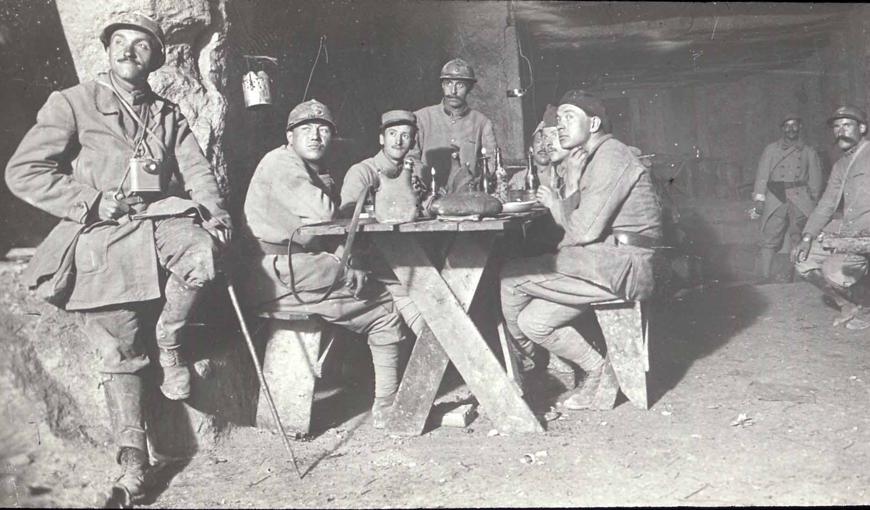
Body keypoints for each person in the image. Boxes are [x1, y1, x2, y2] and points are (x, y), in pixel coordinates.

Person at [4, 13, 232, 505]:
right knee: (120, 350)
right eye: (120, 43)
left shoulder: (167, 112)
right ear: (107, 51)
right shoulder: (73, 103)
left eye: (142, 45)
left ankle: (169, 339)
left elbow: (198, 173)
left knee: (200, 255)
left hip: (164, 219)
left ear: (157, 56)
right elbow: (24, 171)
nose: (130, 51)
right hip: (103, 232)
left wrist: (215, 218)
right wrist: (89, 200)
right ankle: (133, 465)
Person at [240, 99, 405, 430]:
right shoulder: (282, 165)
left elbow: (325, 230)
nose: (315, 135)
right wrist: (345, 262)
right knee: (387, 308)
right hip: (275, 273)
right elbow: (325, 216)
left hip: (291, 268)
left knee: (378, 278)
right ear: (289, 136)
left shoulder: (306, 168)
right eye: (305, 129)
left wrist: (347, 258)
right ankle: (388, 406)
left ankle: (387, 395)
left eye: (323, 129)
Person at [500, 89, 663, 411]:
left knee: (509, 277)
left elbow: (583, 230)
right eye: (558, 119)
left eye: (569, 117)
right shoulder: (593, 157)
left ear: (594, 123)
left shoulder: (610, 155)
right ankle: (596, 369)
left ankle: (532, 371)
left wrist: (565, 237)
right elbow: (580, 227)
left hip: (625, 265)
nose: (560, 126)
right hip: (609, 259)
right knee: (534, 322)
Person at [338, 110, 425, 336]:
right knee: (414, 291)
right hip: (368, 258)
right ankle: (440, 349)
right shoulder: (363, 172)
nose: (398, 140)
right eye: (392, 133)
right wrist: (357, 257)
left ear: (413, 141)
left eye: (405, 135)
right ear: (381, 139)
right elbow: (348, 219)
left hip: (404, 255)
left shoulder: (411, 172)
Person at [792, 105, 870, 331]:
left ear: (862, 128)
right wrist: (807, 237)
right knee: (802, 259)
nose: (840, 131)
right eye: (837, 126)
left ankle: (866, 307)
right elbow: (827, 203)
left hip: (866, 234)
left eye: (847, 125)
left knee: (835, 272)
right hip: (850, 232)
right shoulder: (841, 164)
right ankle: (848, 305)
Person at [407, 58, 497, 194]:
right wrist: (426, 183)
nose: (453, 91)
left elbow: (491, 162)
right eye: (448, 83)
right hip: (428, 196)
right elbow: (411, 158)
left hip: (467, 196)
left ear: (469, 88)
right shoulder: (421, 118)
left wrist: (475, 183)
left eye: (460, 85)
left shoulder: (482, 123)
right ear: (442, 85)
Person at [752, 113, 823, 282]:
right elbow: (762, 175)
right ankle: (764, 275)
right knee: (769, 234)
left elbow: (816, 178)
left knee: (797, 234)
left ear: (800, 127)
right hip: (776, 194)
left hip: (799, 195)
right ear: (782, 129)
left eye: (794, 125)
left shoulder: (808, 151)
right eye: (787, 125)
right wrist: (759, 199)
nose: (791, 129)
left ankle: (792, 274)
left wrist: (813, 200)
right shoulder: (771, 149)